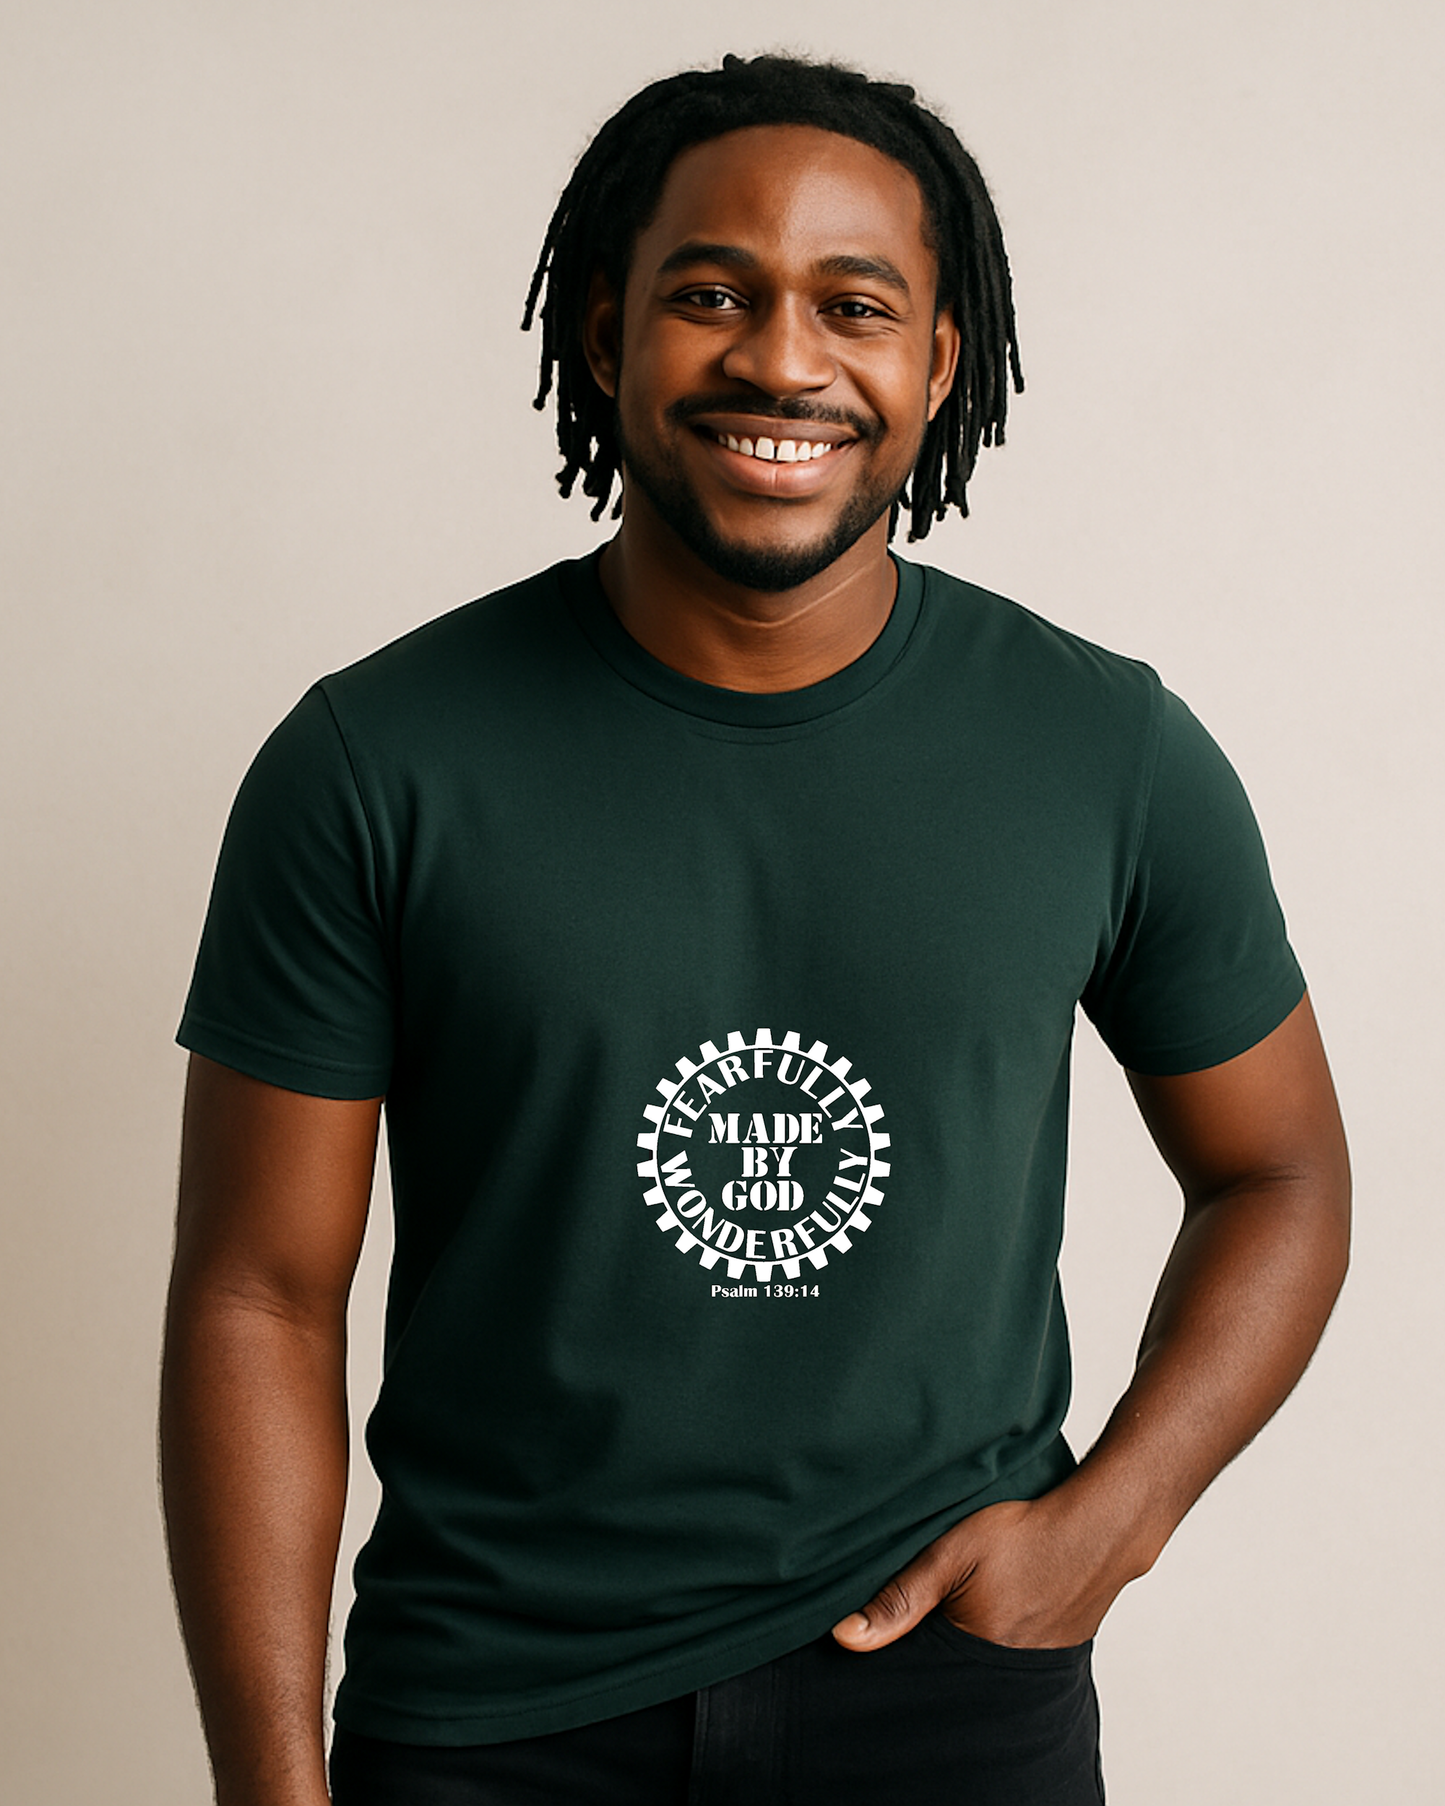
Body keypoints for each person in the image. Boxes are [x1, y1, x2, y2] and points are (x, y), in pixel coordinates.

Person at [160, 53, 1350, 1806]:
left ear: (939, 363)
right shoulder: (373, 763)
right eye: (712, 294)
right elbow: (259, 1295)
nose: (783, 362)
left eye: (853, 306)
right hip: (492, 1719)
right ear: (604, 332)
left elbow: (1283, 1174)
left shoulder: (1107, 752)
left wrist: (1110, 1523)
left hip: (950, 1709)